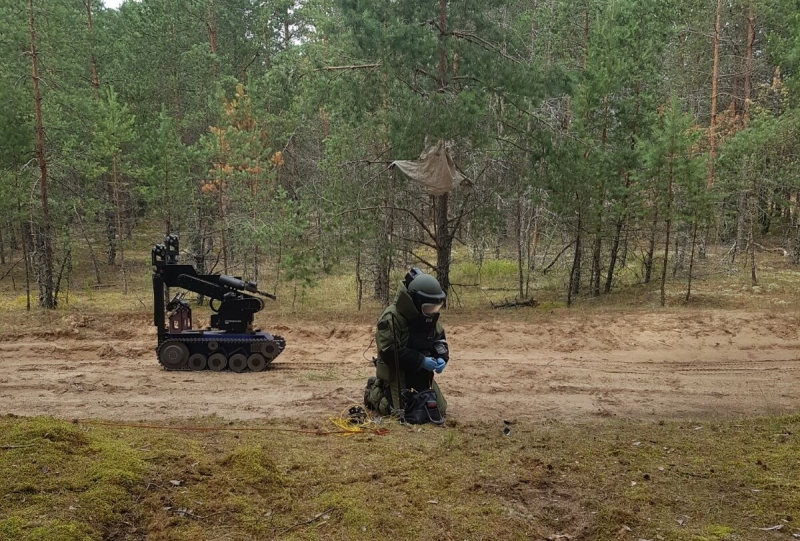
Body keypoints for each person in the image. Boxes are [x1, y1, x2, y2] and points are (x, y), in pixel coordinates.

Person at [364, 268, 449, 420]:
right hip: (397, 372)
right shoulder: (391, 318)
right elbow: (389, 351)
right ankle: (374, 391)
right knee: (398, 412)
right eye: (429, 308)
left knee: (439, 409)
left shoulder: (429, 318)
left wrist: (441, 357)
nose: (432, 312)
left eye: (435, 308)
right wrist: (421, 360)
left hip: (421, 373)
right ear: (416, 301)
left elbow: (439, 339)